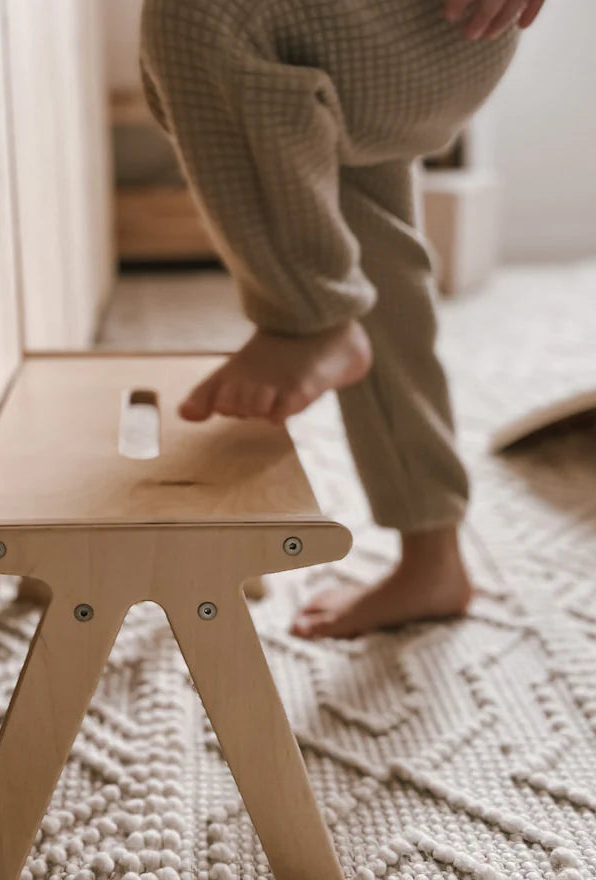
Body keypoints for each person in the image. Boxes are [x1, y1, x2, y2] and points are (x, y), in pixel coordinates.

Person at [140, 0, 545, 637]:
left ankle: (310, 315)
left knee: (205, 14)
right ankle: (433, 557)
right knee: (359, 236)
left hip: (458, 20)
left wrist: (305, 307)